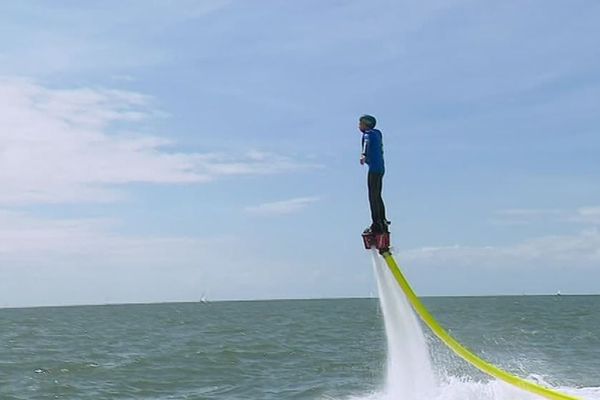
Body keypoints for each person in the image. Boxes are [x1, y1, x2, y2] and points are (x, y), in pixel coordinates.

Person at [359, 114, 388, 234]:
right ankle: (383, 221)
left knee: (372, 197)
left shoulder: (368, 134)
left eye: (360, 123)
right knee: (378, 195)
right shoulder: (378, 133)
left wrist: (363, 155)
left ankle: (376, 224)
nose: (359, 126)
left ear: (366, 124)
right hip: (381, 168)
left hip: (374, 170)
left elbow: (366, 143)